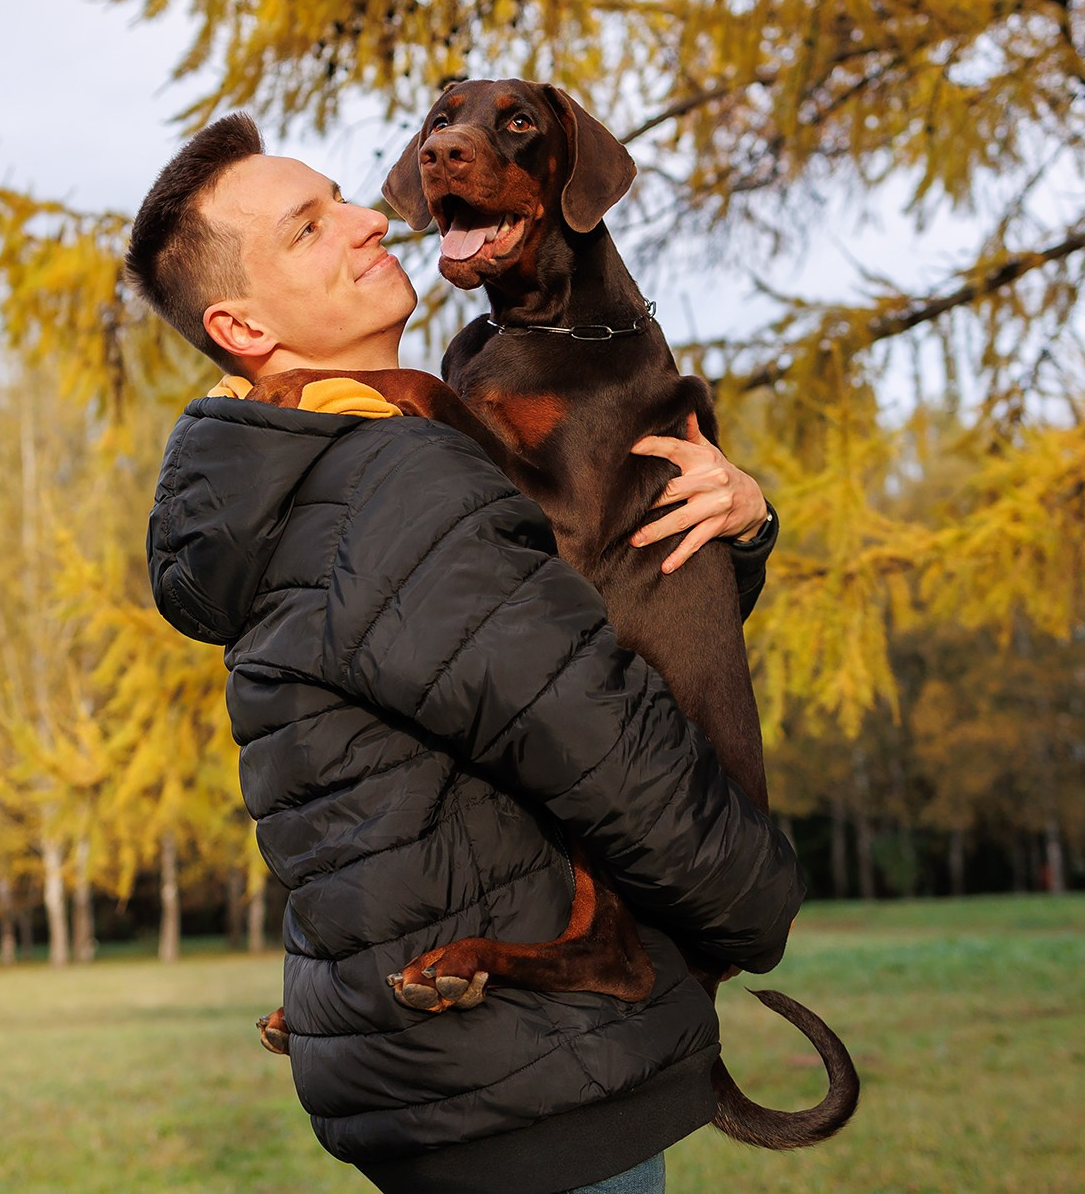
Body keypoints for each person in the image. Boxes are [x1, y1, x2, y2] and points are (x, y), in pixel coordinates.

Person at [135, 114, 803, 1194]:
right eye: (309, 229)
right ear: (240, 324)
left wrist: (738, 532)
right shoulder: (389, 482)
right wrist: (760, 902)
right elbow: (600, 739)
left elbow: (572, 626)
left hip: (447, 1083)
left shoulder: (289, 482)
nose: (368, 221)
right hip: (539, 1092)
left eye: (343, 196)